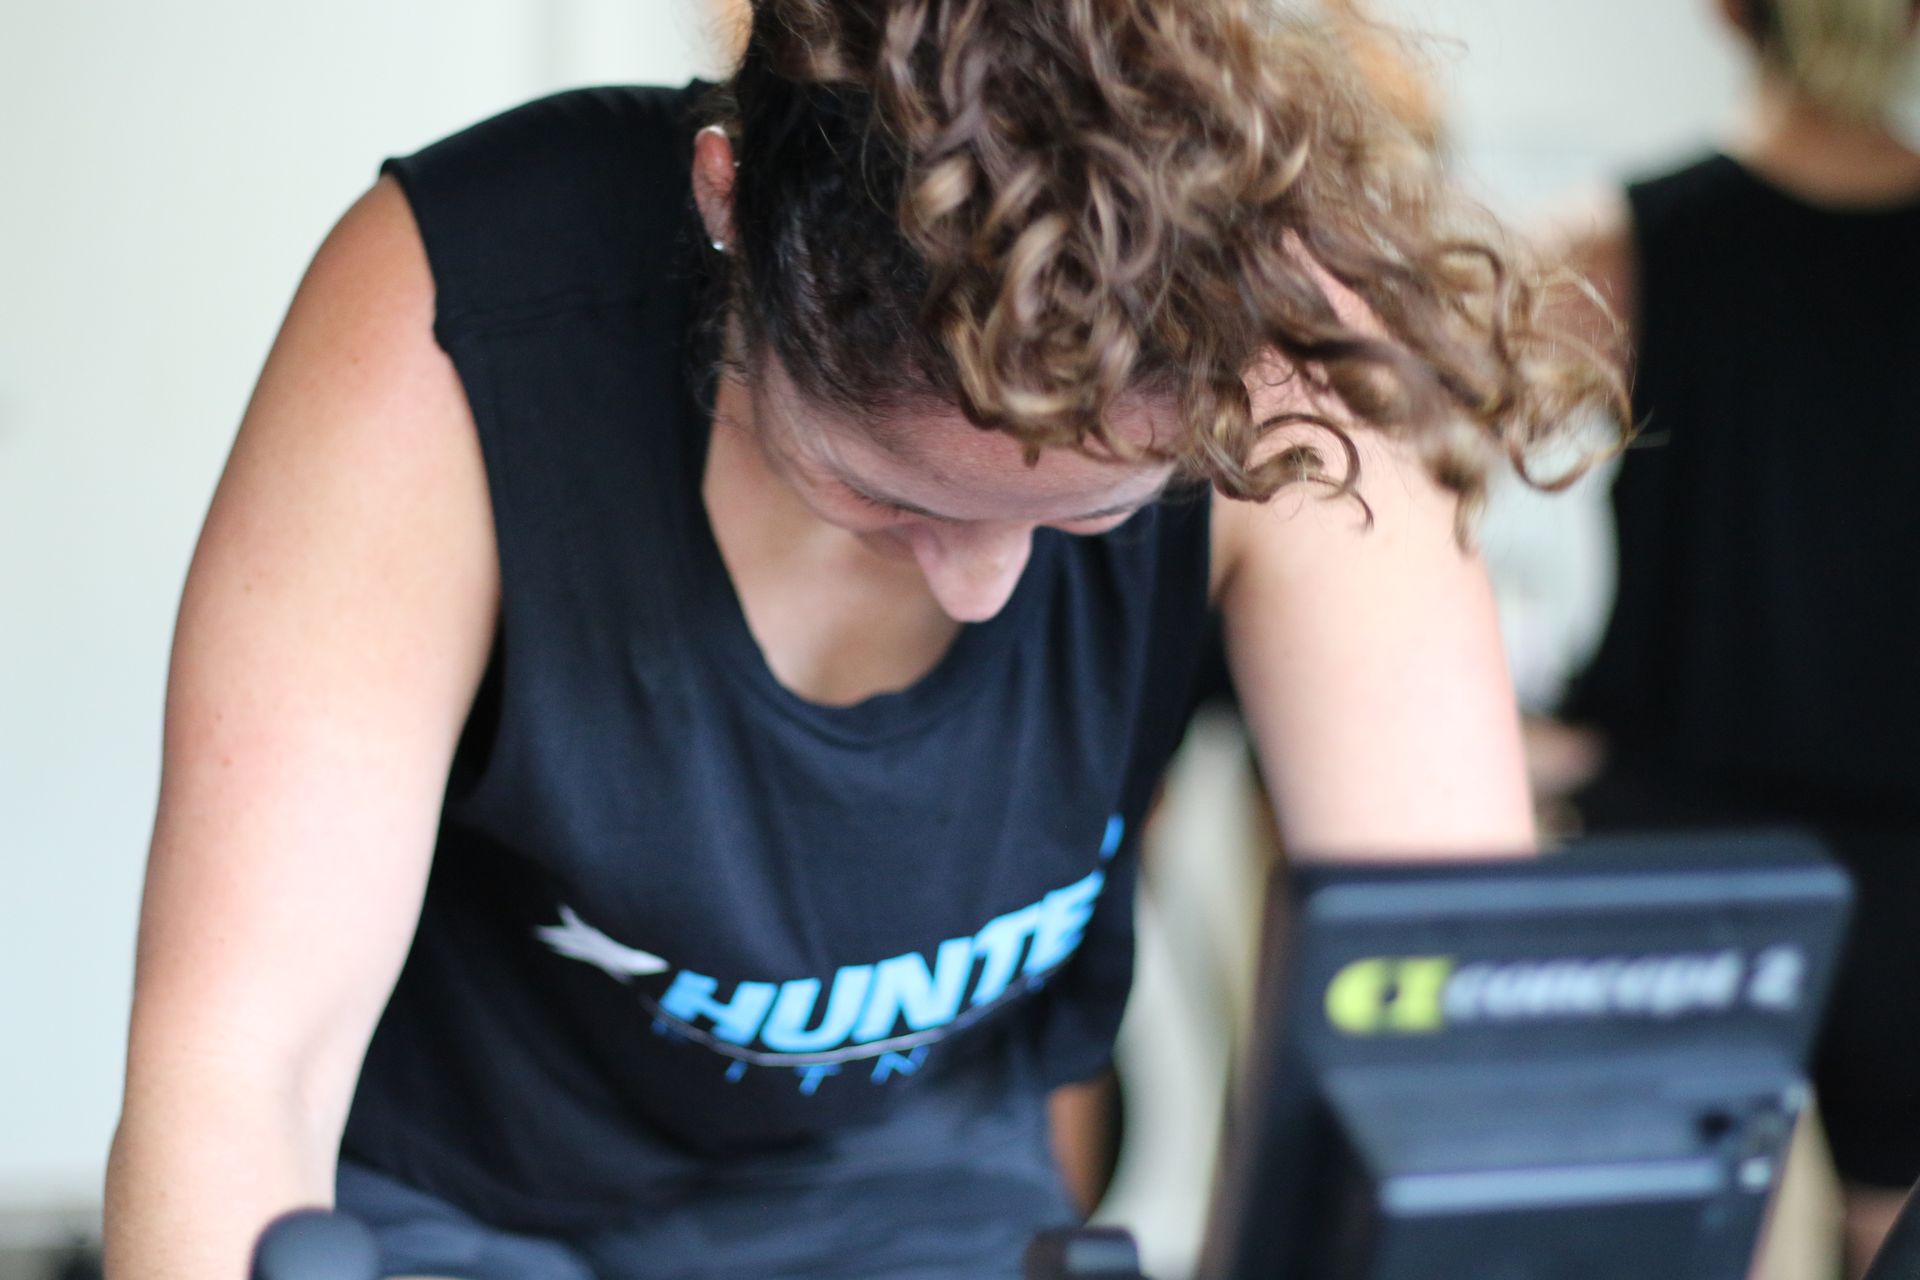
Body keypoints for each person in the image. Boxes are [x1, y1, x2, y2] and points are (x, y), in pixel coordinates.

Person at [102, 1, 1614, 1276]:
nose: (979, 589)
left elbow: (1447, 1062)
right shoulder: (462, 320)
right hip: (469, 1212)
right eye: (881, 494)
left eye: (1092, 516)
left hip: (923, 1220)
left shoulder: (1291, 362)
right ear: (724, 204)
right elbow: (243, 1073)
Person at [1541, 0, 1920, 1272]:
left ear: (1725, 14)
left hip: (1677, 835)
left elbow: (1400, 470)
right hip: (1901, 851)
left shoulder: (1626, 238)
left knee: (1684, 1239)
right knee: (1894, 1231)